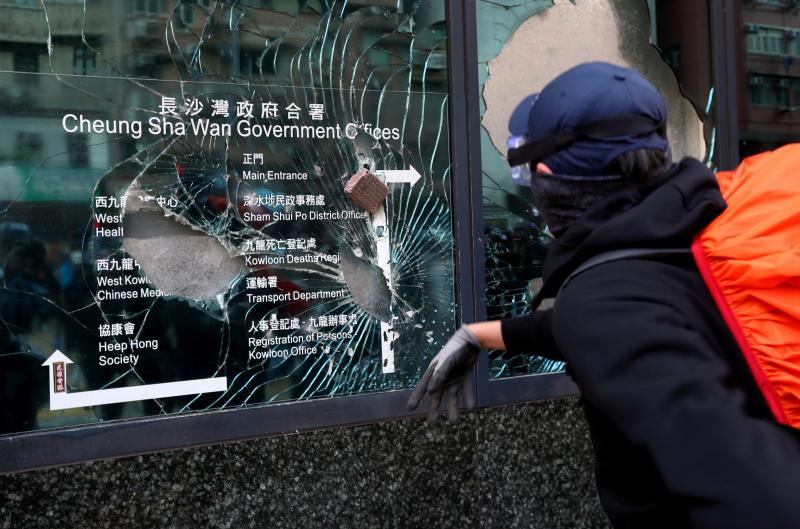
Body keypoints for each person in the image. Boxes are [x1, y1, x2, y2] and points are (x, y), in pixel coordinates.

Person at [408, 62, 800, 528]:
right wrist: (482, 334)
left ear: (546, 175)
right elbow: (644, 322)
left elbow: (762, 500)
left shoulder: (606, 299)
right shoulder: (698, 222)